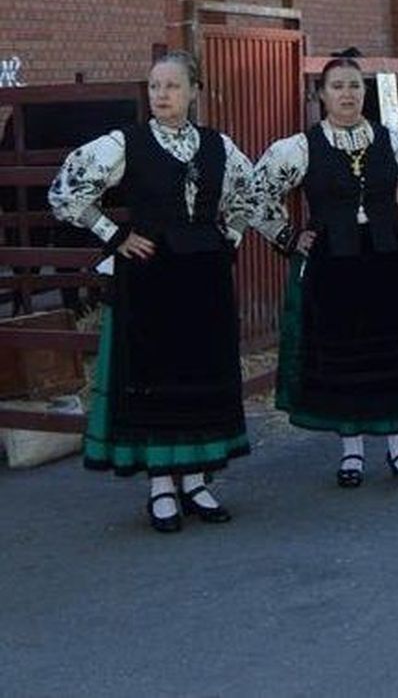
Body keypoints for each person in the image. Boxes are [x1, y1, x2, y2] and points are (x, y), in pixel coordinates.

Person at [48, 51, 255, 532]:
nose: (161, 95)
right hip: (151, 276)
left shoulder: (217, 146)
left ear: (194, 91)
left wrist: (231, 236)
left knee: (197, 371)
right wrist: (114, 235)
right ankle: (161, 485)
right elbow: (67, 189)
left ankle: (198, 481)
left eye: (171, 86)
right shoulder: (128, 142)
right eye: (154, 86)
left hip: (203, 277)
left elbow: (250, 193)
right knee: (158, 374)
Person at [250, 55, 398, 487]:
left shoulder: (392, 141)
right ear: (322, 94)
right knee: (345, 355)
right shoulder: (301, 147)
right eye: (337, 86)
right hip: (332, 265)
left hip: (386, 261)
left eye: (355, 86)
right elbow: (256, 191)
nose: (347, 94)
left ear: (365, 92)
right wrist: (287, 236)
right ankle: (351, 454)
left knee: (392, 353)